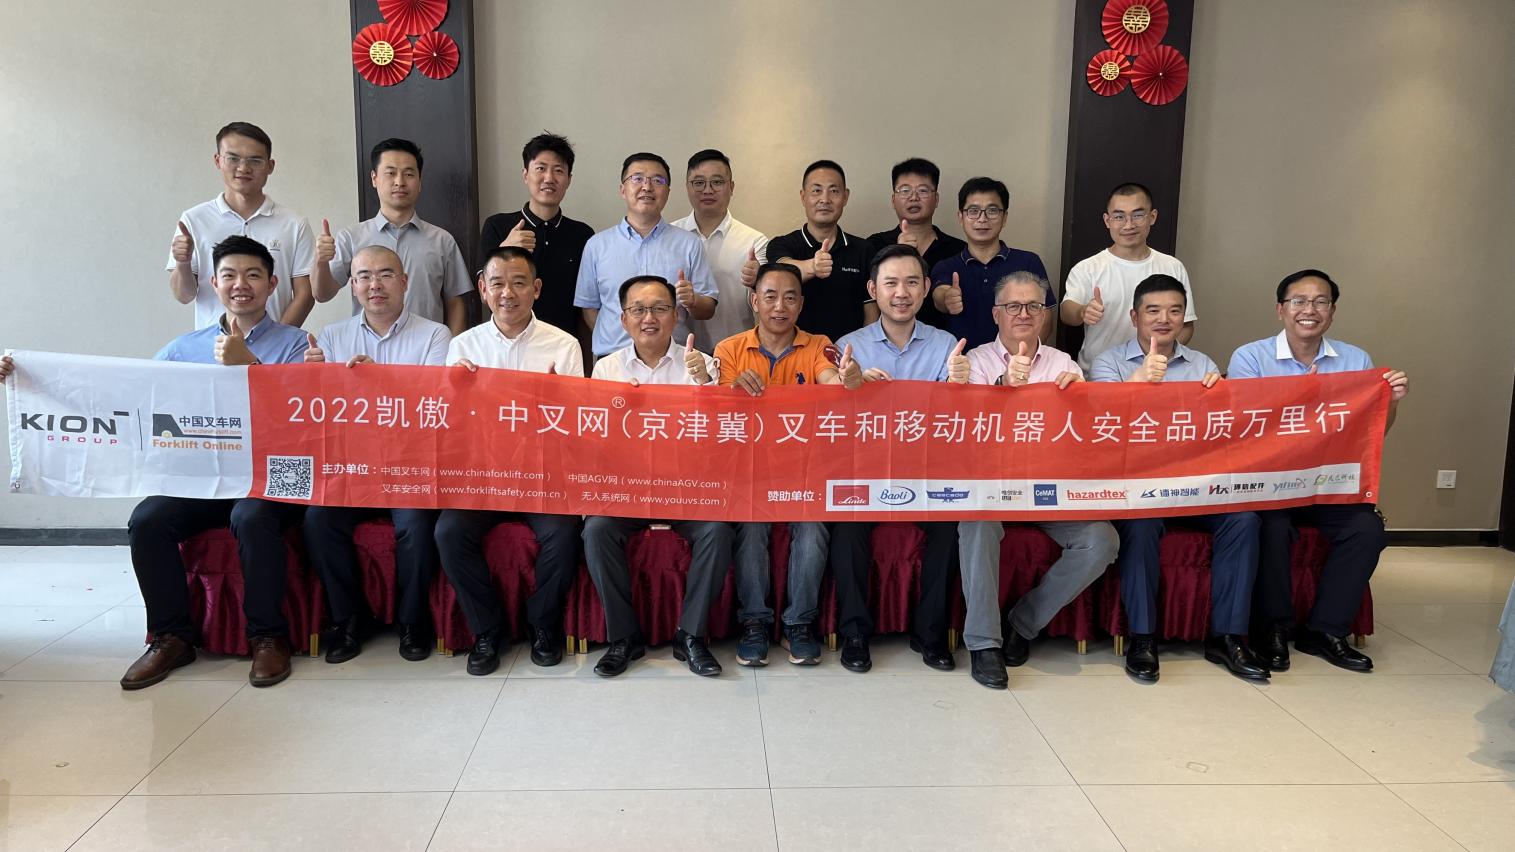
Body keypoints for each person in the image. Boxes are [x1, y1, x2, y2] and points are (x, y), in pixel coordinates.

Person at [122, 237, 308, 688]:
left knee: (251, 516)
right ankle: (171, 637)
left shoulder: (298, 345)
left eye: (252, 275)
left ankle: (267, 636)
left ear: (272, 285)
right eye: (229, 275)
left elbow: (303, 420)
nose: (240, 284)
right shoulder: (182, 348)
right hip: (206, 478)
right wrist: (28, 377)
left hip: (273, 478)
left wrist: (252, 367)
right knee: (147, 519)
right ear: (214, 283)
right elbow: (129, 393)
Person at [1228, 269, 1408, 673]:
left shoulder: (1355, 360)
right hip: (1271, 484)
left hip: (1328, 484)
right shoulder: (1250, 357)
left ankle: (1325, 631)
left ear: (1332, 311)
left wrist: (1391, 401)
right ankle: (1272, 630)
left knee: (1367, 529)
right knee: (1271, 527)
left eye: (1320, 301)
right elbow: (1243, 429)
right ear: (1280, 310)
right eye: (1299, 301)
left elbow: (1371, 432)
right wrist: (1301, 400)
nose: (1309, 309)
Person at [1091, 275, 1267, 683]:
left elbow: (1220, 434)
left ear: (1184, 317)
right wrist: (1139, 382)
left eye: (1174, 311)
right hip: (1138, 487)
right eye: (1153, 310)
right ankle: (1142, 638)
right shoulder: (1108, 363)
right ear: (1134, 317)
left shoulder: (1202, 365)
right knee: (1141, 524)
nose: (1163, 319)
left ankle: (1227, 636)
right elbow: (1101, 425)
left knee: (1244, 519)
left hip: (1194, 485)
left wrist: (1220, 397)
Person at [957, 271, 1117, 689]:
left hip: (1049, 490)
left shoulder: (1064, 365)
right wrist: (1002, 387)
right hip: (992, 488)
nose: (1023, 314)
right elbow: (964, 430)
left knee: (1101, 540)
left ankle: (1022, 623)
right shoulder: (975, 362)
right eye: (1013, 306)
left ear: (1045, 314)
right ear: (996, 314)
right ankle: (984, 644)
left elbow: (1086, 436)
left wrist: (1081, 400)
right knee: (976, 525)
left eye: (1033, 306)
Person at [435, 246, 585, 675]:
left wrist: (558, 401)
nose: (507, 293)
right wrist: (455, 392)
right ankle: (487, 630)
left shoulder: (564, 345)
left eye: (518, 283)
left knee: (564, 533)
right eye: (497, 283)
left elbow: (577, 424)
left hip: (542, 474)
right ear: (483, 289)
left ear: (536, 289)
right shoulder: (463, 346)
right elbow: (449, 425)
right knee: (448, 532)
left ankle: (542, 624)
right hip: (484, 475)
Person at [300, 246, 451, 664]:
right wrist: (311, 378)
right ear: (352, 286)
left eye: (385, 275)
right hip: (352, 465)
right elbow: (321, 413)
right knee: (317, 520)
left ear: (404, 282)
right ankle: (349, 620)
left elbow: (433, 404)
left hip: (409, 464)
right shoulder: (332, 337)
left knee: (416, 524)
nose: (375, 285)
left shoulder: (435, 335)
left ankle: (412, 621)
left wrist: (378, 382)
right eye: (364, 276)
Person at [830, 244, 969, 673]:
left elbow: (955, 423)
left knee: (950, 528)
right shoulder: (848, 347)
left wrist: (960, 387)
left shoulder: (947, 345)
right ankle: (855, 633)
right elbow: (832, 425)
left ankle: (930, 634)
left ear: (926, 288)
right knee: (846, 528)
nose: (901, 293)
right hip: (866, 472)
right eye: (890, 283)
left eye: (911, 282)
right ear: (873, 290)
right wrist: (853, 391)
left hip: (927, 473)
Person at [585, 275, 731, 677]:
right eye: (638, 309)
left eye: (660, 308)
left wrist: (705, 383)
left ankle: (691, 636)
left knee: (718, 530)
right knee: (596, 529)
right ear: (623, 319)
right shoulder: (607, 368)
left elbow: (720, 436)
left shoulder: (701, 363)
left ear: (676, 315)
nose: (649, 318)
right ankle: (624, 638)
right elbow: (595, 441)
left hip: (686, 489)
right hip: (629, 490)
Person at [716, 262, 854, 667]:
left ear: (801, 304)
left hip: (805, 470)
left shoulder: (818, 345)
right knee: (751, 527)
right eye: (771, 296)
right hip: (749, 471)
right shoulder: (729, 349)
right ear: (754, 301)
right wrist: (733, 390)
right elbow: (718, 411)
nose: (780, 306)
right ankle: (755, 622)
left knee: (812, 526)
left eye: (790, 297)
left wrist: (848, 380)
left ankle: (799, 624)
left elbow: (832, 381)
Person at [313, 138, 473, 335]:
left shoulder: (442, 241)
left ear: (420, 181)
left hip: (426, 348)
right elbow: (322, 294)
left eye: (409, 174)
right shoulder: (351, 237)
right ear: (374, 178)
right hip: (367, 348)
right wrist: (320, 261)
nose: (400, 182)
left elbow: (455, 303)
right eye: (390, 173)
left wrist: (451, 349)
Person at [167, 121, 315, 329]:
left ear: (270, 166)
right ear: (218, 160)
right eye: (233, 158)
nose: (243, 168)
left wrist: (275, 342)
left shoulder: (294, 224)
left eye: (255, 160)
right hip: (211, 345)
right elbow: (183, 296)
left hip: (274, 347)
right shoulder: (194, 219)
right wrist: (182, 263)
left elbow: (305, 295)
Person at [574, 152, 717, 360]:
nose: (647, 187)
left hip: (673, 361)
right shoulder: (596, 245)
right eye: (637, 178)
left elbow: (708, 309)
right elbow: (589, 307)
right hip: (613, 360)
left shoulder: (689, 244)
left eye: (657, 180)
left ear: (667, 192)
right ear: (622, 189)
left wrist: (693, 301)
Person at [1061, 183, 1196, 372]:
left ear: (1152, 217)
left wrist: (1157, 357)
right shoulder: (1088, 268)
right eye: (1119, 216)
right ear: (1107, 220)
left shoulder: (1172, 266)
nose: (1129, 224)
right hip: (1100, 374)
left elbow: (1186, 325)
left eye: (1138, 215)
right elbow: (1066, 312)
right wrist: (1083, 311)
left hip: (1155, 373)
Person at [477, 132, 594, 348]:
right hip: (506, 345)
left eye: (558, 170)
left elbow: (586, 306)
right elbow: (485, 295)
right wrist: (505, 250)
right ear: (525, 175)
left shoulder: (582, 234)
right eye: (540, 168)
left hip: (564, 347)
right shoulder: (497, 225)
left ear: (568, 179)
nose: (549, 178)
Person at [929, 177, 1052, 350]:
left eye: (992, 211)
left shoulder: (1029, 262)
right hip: (960, 364)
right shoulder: (946, 266)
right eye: (973, 211)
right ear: (961, 217)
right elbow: (939, 295)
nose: (982, 219)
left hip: (1015, 363)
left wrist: (1022, 358)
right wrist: (947, 298)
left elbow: (1045, 318)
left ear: (1004, 217)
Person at [767, 160, 877, 343]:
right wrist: (812, 267)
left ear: (845, 197)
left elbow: (871, 312)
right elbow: (780, 272)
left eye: (834, 191)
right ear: (803, 197)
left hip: (848, 354)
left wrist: (865, 351)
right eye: (816, 191)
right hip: (794, 352)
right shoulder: (781, 245)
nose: (825, 199)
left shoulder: (864, 250)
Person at [673, 149, 769, 352]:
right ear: (687, 187)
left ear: (731, 187)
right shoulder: (669, 236)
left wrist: (757, 280)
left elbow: (765, 303)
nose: (707, 190)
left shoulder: (754, 241)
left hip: (736, 353)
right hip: (678, 355)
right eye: (699, 182)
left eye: (717, 182)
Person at [867, 158, 966, 330]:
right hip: (889, 343)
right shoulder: (874, 245)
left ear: (936, 199)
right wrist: (899, 252)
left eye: (923, 190)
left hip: (944, 342)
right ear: (893, 200)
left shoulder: (958, 249)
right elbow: (869, 305)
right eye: (905, 190)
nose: (914, 197)